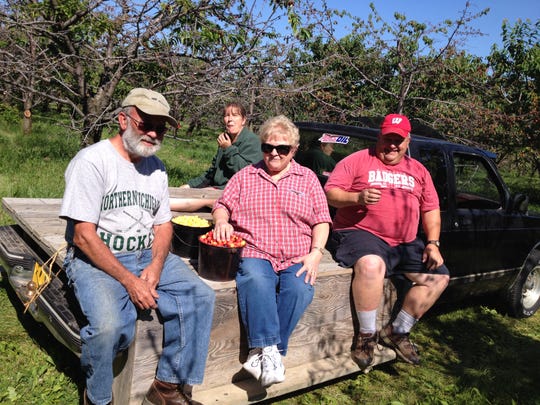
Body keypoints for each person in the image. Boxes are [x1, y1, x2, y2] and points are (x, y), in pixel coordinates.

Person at [60, 88, 215, 405]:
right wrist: (130, 281)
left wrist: (155, 267)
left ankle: (166, 387)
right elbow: (83, 236)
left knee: (200, 296)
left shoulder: (155, 167)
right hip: (95, 258)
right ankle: (99, 397)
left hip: (146, 252)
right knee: (109, 327)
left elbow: (163, 224)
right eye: (146, 123)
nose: (154, 133)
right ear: (122, 119)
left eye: (160, 127)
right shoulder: (92, 162)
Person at [211, 115, 332, 387]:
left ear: (294, 150)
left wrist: (316, 253)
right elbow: (222, 204)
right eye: (268, 147)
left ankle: (261, 354)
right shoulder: (246, 176)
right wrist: (221, 220)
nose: (274, 153)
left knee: (300, 288)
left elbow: (322, 220)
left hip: (297, 253)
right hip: (256, 249)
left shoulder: (308, 179)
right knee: (255, 279)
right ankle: (273, 352)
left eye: (282, 148)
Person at [324, 113, 450, 369]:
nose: (392, 145)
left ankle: (397, 331)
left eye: (398, 140)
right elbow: (331, 193)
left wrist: (433, 243)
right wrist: (357, 198)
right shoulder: (357, 160)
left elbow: (430, 209)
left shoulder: (419, 171)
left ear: (407, 141)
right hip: (359, 232)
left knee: (439, 277)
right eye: (387, 138)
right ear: (379, 137)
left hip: (404, 242)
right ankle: (366, 336)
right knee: (372, 265)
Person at [171, 102, 262, 212]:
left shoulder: (252, 142)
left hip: (239, 194)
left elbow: (246, 173)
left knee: (198, 199)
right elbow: (212, 172)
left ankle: (162, 207)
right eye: (227, 115)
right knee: (183, 193)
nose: (230, 119)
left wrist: (228, 149)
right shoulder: (225, 139)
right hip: (218, 189)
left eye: (235, 115)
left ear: (243, 120)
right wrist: (189, 186)